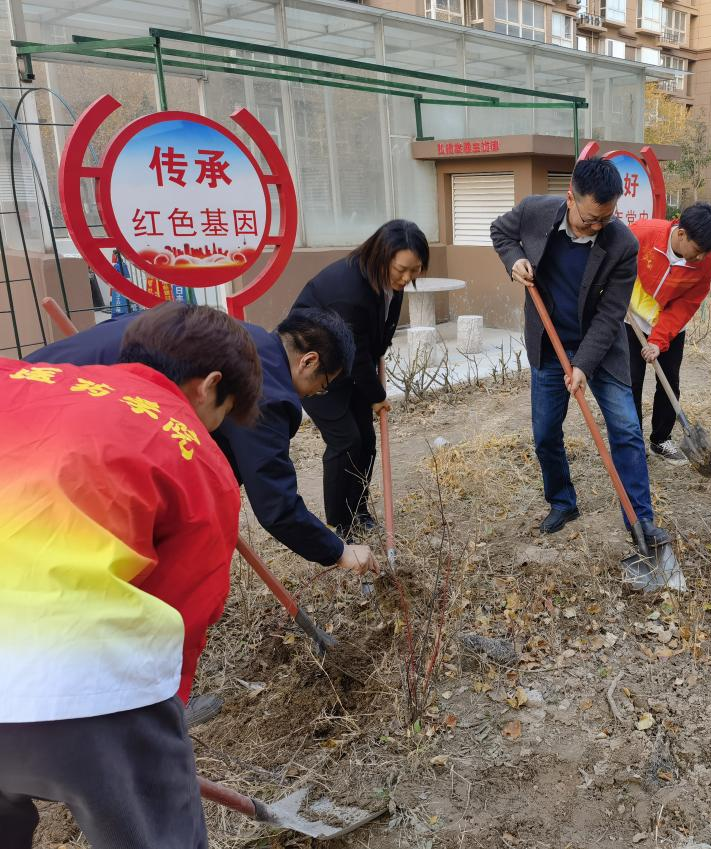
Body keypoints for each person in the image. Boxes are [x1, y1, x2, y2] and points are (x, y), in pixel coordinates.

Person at [0, 302, 262, 849]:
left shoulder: (17, 379)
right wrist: (158, 738)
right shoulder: (195, 454)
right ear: (210, 385)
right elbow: (179, 619)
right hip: (86, 692)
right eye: (225, 411)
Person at [27, 307, 376, 576]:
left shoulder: (244, 340)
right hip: (41, 432)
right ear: (308, 361)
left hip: (31, 385)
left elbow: (215, 455)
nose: (319, 393)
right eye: (325, 383)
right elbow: (276, 505)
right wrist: (338, 551)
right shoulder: (265, 391)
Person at [490, 158, 668, 544]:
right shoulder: (534, 212)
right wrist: (513, 260)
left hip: (600, 351)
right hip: (549, 346)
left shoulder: (622, 243)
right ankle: (562, 501)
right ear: (570, 198)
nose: (599, 226)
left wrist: (584, 364)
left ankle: (640, 521)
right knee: (545, 433)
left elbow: (610, 315)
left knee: (626, 429)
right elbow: (501, 233)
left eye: (607, 218)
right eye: (591, 219)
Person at [292, 219, 429, 541]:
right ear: (382, 257)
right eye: (401, 270)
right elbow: (358, 352)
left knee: (365, 441)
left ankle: (359, 511)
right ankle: (339, 524)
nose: (407, 278)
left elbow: (374, 336)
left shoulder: (387, 280)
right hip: (312, 369)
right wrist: (377, 395)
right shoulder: (349, 291)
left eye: (415, 270)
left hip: (347, 367)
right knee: (345, 441)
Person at [626, 202, 711, 464]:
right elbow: (614, 263)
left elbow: (686, 305)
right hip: (632, 317)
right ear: (681, 234)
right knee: (631, 380)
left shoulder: (706, 264)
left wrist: (659, 341)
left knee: (669, 380)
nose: (702, 258)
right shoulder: (643, 234)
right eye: (698, 250)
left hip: (670, 325)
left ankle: (660, 439)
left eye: (707, 252)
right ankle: (632, 441)